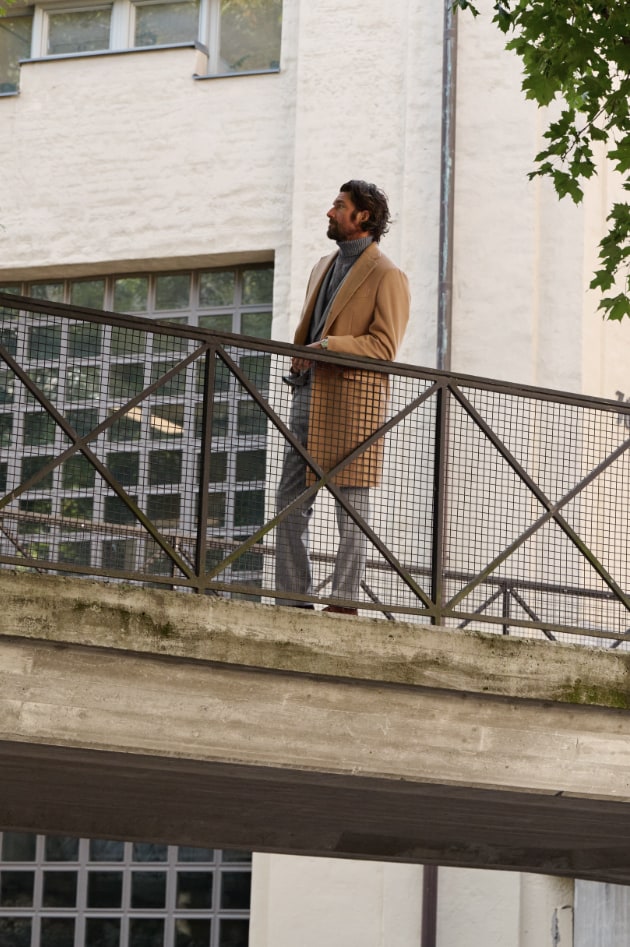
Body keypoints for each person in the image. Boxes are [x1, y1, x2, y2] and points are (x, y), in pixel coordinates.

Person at [275, 180, 410, 614]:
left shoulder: (387, 275)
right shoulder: (321, 266)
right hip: (307, 399)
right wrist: (303, 355)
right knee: (289, 504)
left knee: (351, 508)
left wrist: (328, 347)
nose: (329, 213)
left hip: (353, 407)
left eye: (339, 206)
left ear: (362, 216)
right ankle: (294, 596)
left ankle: (344, 601)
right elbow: (312, 329)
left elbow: (384, 347)